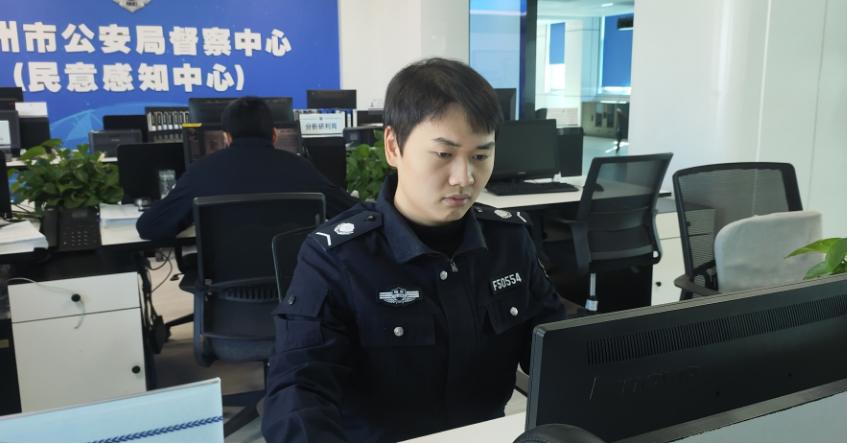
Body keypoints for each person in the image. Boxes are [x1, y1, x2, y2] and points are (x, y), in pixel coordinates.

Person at [261, 58, 568, 442]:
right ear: (393, 146)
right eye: (444, 154)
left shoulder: (509, 240)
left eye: (480, 156)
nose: (464, 178)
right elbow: (298, 389)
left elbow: (560, 350)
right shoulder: (336, 259)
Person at [135, 96, 360, 240]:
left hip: (224, 286)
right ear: (275, 135)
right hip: (292, 285)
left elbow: (149, 227)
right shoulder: (303, 169)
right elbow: (355, 214)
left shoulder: (201, 171)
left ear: (226, 137)